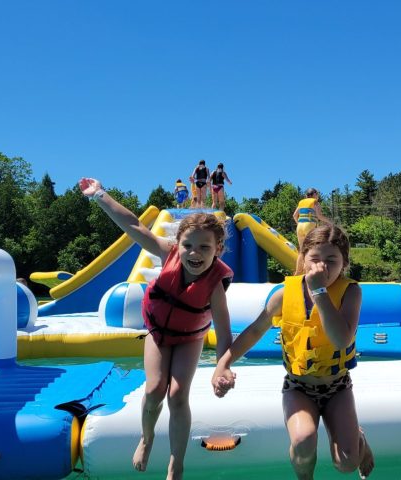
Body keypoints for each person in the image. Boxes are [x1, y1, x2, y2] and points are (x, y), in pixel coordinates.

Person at [79, 177, 233, 480]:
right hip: (160, 332)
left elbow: (225, 332)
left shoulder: (214, 283)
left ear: (218, 249)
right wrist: (99, 195)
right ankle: (146, 438)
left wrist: (222, 368)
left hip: (190, 337)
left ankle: (176, 462)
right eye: (188, 245)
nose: (194, 253)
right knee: (153, 389)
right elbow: (133, 225)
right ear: (178, 245)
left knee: (177, 395)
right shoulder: (169, 253)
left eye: (205, 247)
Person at [211, 225, 375, 479]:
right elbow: (254, 331)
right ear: (303, 259)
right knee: (303, 440)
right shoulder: (284, 295)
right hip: (299, 387)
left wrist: (319, 291)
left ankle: (358, 441)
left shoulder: (351, 292)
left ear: (344, 263)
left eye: (332, 260)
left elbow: (341, 339)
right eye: (315, 259)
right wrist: (224, 363)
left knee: (346, 464)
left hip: (337, 387)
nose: (323, 267)